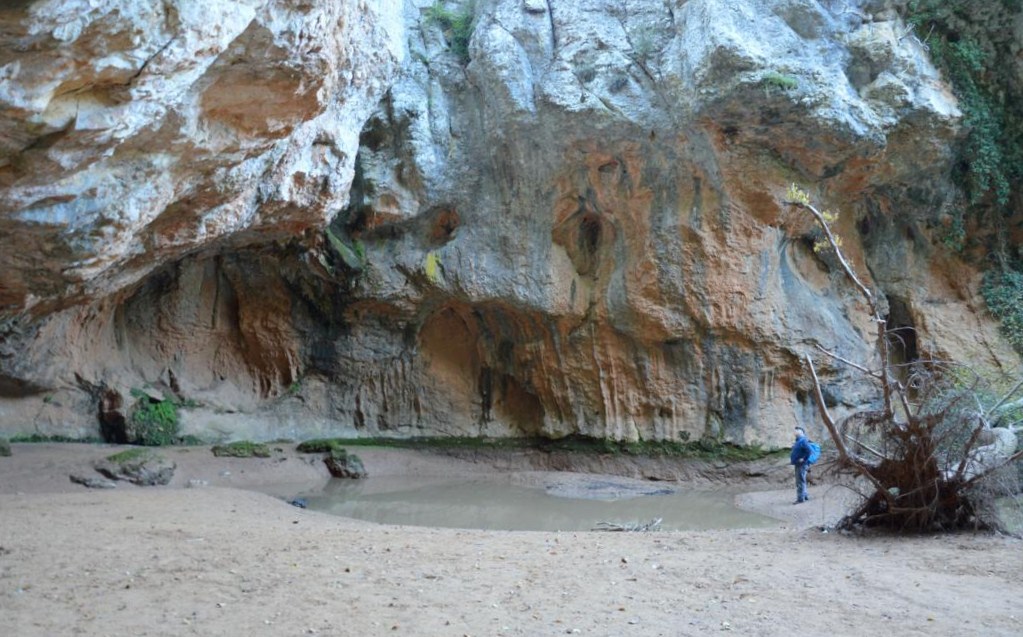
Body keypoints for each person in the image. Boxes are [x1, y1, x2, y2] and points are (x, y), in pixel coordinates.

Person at [790, 426, 812, 504]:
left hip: (801, 464)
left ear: (801, 432)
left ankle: (800, 499)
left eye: (796, 430)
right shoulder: (798, 441)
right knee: (801, 480)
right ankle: (804, 496)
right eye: (794, 430)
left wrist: (804, 459)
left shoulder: (803, 440)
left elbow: (809, 451)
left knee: (799, 481)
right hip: (798, 464)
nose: (794, 432)